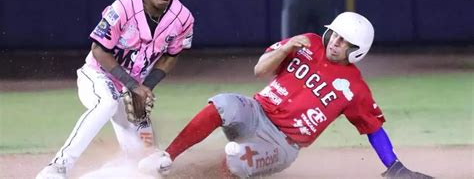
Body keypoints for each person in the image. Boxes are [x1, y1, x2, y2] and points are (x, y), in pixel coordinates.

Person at [138, 12, 433, 178]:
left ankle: (189, 176)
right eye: (335, 35)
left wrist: (394, 166)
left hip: (282, 145)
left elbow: (373, 128)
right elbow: (259, 70)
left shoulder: (354, 88)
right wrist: (287, 47)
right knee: (223, 102)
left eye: (345, 42)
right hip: (255, 112)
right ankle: (167, 157)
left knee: (236, 161)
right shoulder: (308, 43)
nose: (335, 43)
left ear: (357, 51)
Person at [36, 0, 194, 179]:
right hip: (98, 76)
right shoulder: (122, 8)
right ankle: (59, 166)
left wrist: (146, 87)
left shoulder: (183, 18)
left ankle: (111, 170)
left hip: (133, 89)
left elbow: (172, 54)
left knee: (151, 164)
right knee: (107, 103)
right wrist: (133, 85)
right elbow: (98, 50)